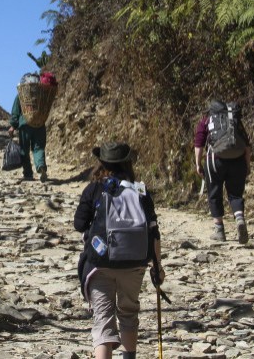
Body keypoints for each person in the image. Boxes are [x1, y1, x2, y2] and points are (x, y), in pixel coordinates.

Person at [74, 142, 163, 359]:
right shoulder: (140, 191)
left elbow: (78, 224)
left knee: (103, 319)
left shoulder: (95, 188)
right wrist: (158, 267)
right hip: (135, 262)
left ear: (102, 163)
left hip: (100, 262)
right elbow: (154, 232)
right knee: (129, 313)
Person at [194, 100, 252, 244]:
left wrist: (198, 164)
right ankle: (239, 219)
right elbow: (247, 145)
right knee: (235, 194)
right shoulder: (234, 120)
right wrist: (247, 165)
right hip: (238, 160)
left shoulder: (206, 121)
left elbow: (199, 144)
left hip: (215, 160)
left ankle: (219, 230)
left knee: (214, 193)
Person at [8, 90, 47, 182]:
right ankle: (41, 166)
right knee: (38, 148)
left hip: (25, 125)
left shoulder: (21, 95)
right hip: (39, 124)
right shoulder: (41, 94)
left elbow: (15, 112)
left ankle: (28, 173)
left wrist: (13, 126)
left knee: (24, 149)